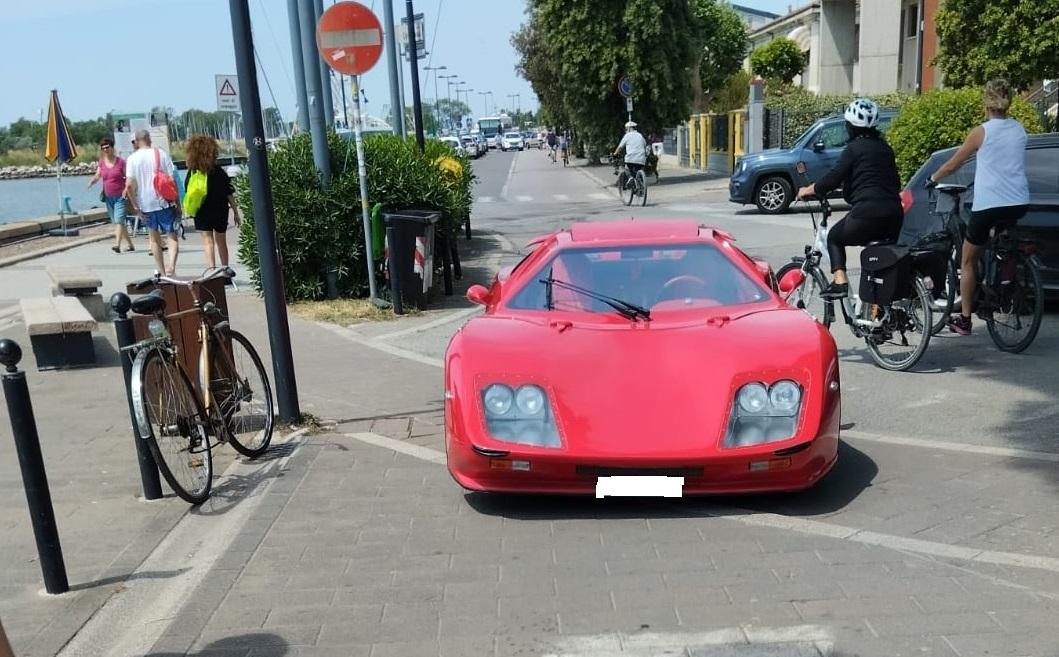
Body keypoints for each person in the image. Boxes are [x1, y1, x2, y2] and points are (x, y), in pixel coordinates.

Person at [927, 79, 1029, 336]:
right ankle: (1004, 275)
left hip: (990, 204)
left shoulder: (981, 132)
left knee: (968, 259)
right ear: (1009, 102)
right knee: (999, 243)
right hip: (1018, 202)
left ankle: (964, 319)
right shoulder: (1019, 130)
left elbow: (953, 165)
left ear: (986, 101)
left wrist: (933, 179)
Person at [797, 98, 902, 299]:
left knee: (834, 238)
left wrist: (809, 189)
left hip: (867, 212)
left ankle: (840, 282)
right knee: (878, 260)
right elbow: (895, 183)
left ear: (850, 127)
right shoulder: (885, 148)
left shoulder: (854, 149)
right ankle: (878, 312)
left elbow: (833, 178)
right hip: (894, 213)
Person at [124, 129, 182, 275]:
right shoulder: (161, 154)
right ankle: (172, 266)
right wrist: (178, 202)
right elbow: (171, 179)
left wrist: (136, 206)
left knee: (154, 238)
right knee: (171, 235)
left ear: (136, 142)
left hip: (145, 204)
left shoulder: (132, 159)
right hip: (164, 201)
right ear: (149, 139)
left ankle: (162, 271)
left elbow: (129, 185)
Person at [184, 134, 240, 270]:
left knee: (208, 242)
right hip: (220, 209)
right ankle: (225, 269)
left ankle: (212, 270)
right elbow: (229, 192)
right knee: (221, 241)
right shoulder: (219, 171)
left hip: (201, 210)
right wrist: (236, 212)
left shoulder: (192, 172)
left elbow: (187, 190)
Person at [86, 137, 134, 253]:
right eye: (103, 148)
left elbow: (128, 176)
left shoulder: (121, 162)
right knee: (119, 222)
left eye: (107, 147)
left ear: (112, 148)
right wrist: (91, 182)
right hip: (108, 197)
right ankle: (130, 245)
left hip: (121, 196)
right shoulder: (102, 163)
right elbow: (98, 175)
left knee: (118, 220)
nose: (105, 150)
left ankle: (117, 245)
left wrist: (127, 189)